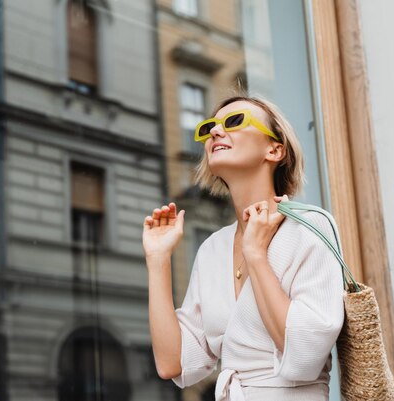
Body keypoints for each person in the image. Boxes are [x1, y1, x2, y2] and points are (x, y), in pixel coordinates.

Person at [142, 95, 345, 401]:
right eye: (209, 126)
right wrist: (158, 260)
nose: (215, 132)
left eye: (234, 122)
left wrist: (256, 254)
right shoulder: (213, 249)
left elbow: (305, 355)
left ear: (274, 149)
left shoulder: (309, 228)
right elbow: (173, 362)